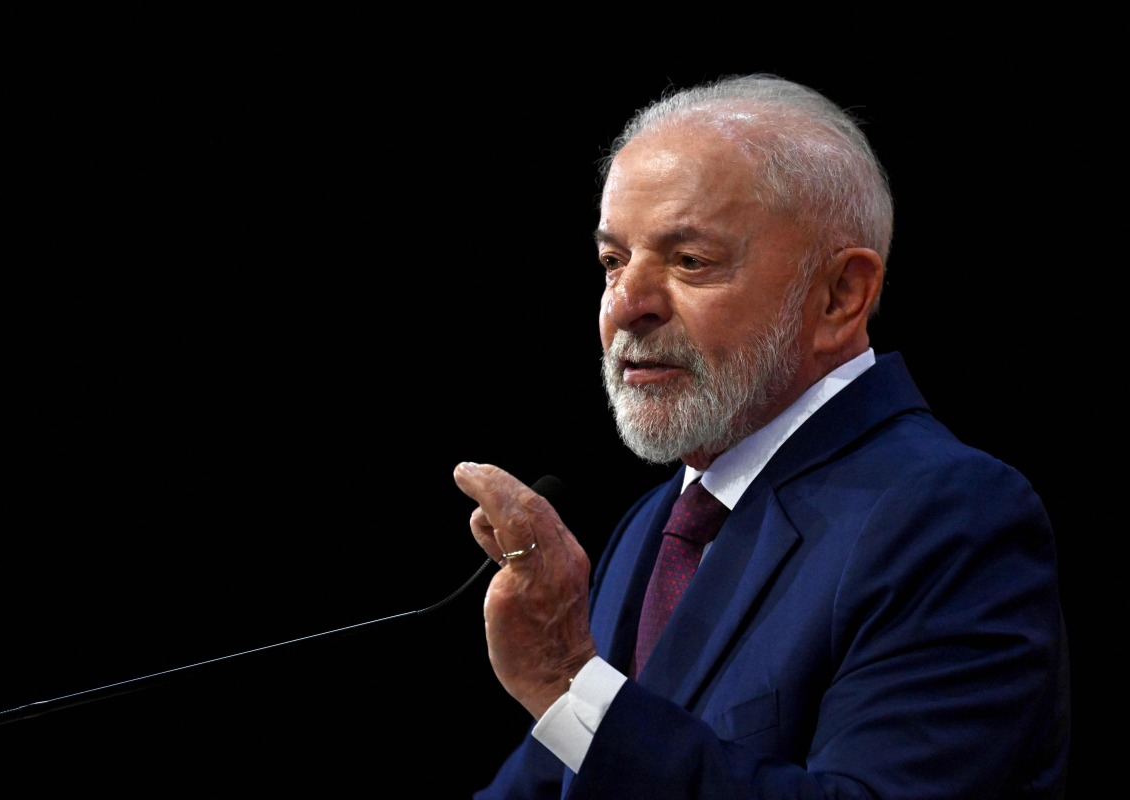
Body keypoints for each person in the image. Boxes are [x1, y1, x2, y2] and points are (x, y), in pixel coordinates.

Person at [452, 73, 1070, 799]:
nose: (626, 305)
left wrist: (567, 681)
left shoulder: (951, 515)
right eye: (613, 261)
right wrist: (571, 692)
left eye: (690, 261)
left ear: (841, 295)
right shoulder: (653, 525)